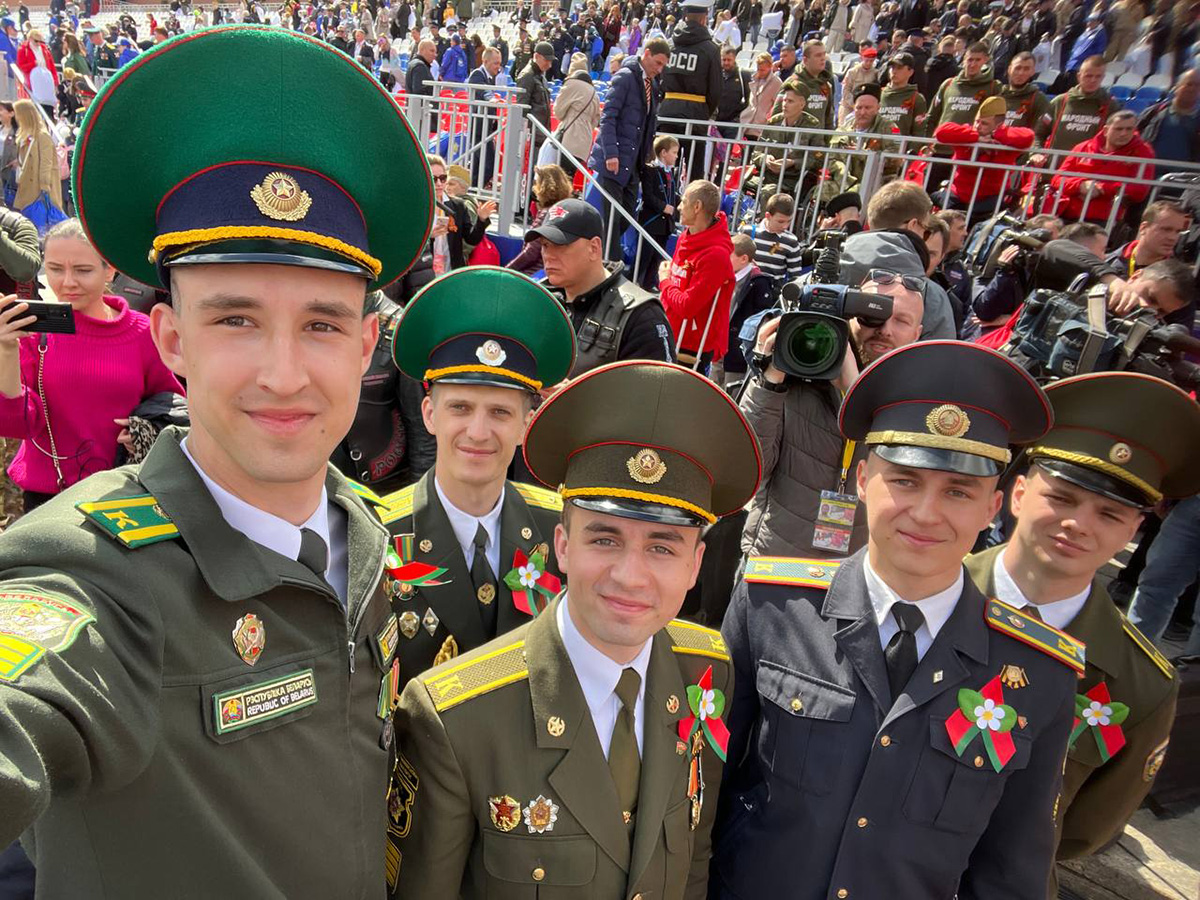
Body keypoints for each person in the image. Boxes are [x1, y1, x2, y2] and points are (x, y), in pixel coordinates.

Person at [0, 25, 436, 896]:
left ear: (366, 346)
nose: (283, 374)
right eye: (235, 319)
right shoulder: (94, 570)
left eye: (320, 323)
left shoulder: (364, 530)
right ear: (172, 338)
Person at [712, 340, 1083, 900]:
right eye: (904, 481)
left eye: (959, 491)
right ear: (862, 480)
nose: (926, 513)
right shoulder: (771, 606)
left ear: (992, 507)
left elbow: (1012, 866)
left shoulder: (1039, 673)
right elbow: (703, 789)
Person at [390, 359, 762, 899]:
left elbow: (693, 855)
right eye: (604, 539)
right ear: (562, 545)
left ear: (696, 564)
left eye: (662, 546)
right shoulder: (454, 717)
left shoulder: (705, 670)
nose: (630, 576)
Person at [965, 373, 1196, 897]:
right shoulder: (919, 598)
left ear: (1132, 532)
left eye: (1110, 513)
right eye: (1062, 497)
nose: (1078, 524)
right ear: (1017, 494)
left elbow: (1088, 830)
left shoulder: (1140, 685)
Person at [373, 268, 575, 688]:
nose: (479, 432)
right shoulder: (376, 536)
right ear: (430, 414)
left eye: (500, 412)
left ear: (525, 425)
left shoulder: (560, 528)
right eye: (460, 408)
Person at [738, 267, 926, 559]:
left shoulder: (922, 399)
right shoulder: (797, 364)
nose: (885, 329)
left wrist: (855, 391)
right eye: (873, 316)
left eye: (901, 321)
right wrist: (768, 380)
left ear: (917, 334)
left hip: (859, 570)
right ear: (849, 317)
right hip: (775, 559)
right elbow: (749, 470)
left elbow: (908, 484)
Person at [0, 218, 184, 511]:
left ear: (109, 269)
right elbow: (16, 424)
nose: (68, 282)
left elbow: (174, 406)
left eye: (83, 270)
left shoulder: (141, 331)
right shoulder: (31, 332)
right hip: (47, 497)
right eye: (55, 269)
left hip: (123, 491)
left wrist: (145, 430)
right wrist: (6, 349)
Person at [526, 198, 676, 373]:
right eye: (545, 245)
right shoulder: (540, 301)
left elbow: (658, 396)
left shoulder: (641, 316)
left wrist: (574, 393)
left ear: (594, 248)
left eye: (560, 245)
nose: (548, 255)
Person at [588, 40, 670, 259]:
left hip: (633, 161)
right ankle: (610, 263)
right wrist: (611, 153)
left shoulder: (652, 84)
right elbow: (608, 118)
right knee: (614, 217)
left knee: (626, 216)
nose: (659, 69)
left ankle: (600, 253)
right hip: (614, 160)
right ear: (647, 54)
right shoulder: (625, 77)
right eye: (658, 63)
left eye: (663, 66)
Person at [659, 179, 734, 371]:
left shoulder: (716, 255)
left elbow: (687, 307)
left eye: (684, 201)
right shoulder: (687, 235)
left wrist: (665, 281)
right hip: (670, 332)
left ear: (697, 207)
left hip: (692, 346)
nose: (679, 206)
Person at [934, 94, 1034, 222]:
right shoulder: (968, 133)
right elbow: (941, 131)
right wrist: (976, 138)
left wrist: (994, 135)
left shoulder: (1005, 137)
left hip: (990, 200)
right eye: (977, 121)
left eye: (984, 123)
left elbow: (1028, 137)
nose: (978, 126)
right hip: (957, 197)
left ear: (999, 125)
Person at [1049, 110, 1154, 227]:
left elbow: (1140, 190)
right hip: (1064, 212)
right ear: (1105, 131)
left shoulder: (1142, 152)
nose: (1124, 133)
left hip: (1104, 219)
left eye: (1129, 129)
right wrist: (1080, 185)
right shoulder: (1083, 147)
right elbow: (1057, 179)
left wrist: (1101, 188)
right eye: (1118, 129)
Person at [658, 0, 723, 181]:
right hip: (696, 116)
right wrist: (705, 112)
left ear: (685, 16)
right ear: (704, 18)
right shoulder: (711, 49)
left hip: (668, 113)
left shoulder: (670, 44)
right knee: (694, 171)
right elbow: (716, 90)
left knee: (665, 168)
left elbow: (659, 79)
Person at [745, 80, 822, 202]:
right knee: (740, 188)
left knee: (768, 192)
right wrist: (765, 158)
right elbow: (756, 153)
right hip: (767, 175)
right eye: (784, 100)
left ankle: (764, 221)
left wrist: (792, 162)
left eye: (790, 101)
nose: (785, 105)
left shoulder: (812, 126)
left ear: (802, 104)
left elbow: (817, 160)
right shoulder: (773, 122)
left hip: (792, 180)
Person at [716, 232, 776, 389]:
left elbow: (759, 319)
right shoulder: (724, 276)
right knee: (712, 387)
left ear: (744, 259)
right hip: (719, 343)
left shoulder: (758, 283)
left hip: (737, 351)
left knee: (730, 391)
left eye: (728, 255)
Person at [1033, 55, 1116, 156]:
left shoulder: (1110, 105)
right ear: (1079, 76)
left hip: (1088, 168)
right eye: (1088, 76)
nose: (1093, 80)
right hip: (1054, 167)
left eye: (1098, 76)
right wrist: (1036, 153)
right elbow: (1038, 133)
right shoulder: (1060, 102)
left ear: (1103, 77)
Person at [507, 164, 574, 275]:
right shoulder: (565, 211)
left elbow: (531, 253)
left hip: (535, 275)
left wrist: (507, 270)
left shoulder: (546, 214)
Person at [637, 133, 681, 288]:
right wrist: (663, 207)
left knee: (657, 257)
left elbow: (672, 194)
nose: (676, 156)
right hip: (651, 221)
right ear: (663, 153)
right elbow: (647, 195)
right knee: (645, 256)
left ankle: (649, 284)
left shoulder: (670, 172)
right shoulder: (650, 170)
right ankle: (637, 282)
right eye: (674, 152)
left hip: (665, 224)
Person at [1136, 68, 1200, 176]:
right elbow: (1134, 136)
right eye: (1189, 84)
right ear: (1176, 87)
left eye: (1198, 85)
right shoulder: (1153, 112)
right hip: (1146, 176)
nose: (1192, 89)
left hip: (1183, 181)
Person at [927, 41, 1000, 132]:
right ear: (964, 59)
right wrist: (927, 144)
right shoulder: (948, 84)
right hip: (942, 143)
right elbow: (931, 117)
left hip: (971, 144)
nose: (972, 64)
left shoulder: (993, 87)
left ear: (985, 60)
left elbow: (997, 121)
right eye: (970, 60)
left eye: (977, 60)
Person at [11, 99, 62, 229]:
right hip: (27, 184)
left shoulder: (42, 136)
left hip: (40, 188)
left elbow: (46, 163)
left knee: (41, 223)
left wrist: (44, 185)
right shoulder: (24, 134)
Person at [1106, 201, 1190, 279]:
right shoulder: (1106, 262)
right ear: (1143, 228)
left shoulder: (1179, 278)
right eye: (1166, 229)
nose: (1173, 237)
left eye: (1178, 231)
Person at [739, 191, 803, 293]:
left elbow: (795, 278)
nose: (785, 226)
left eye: (789, 221)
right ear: (768, 216)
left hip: (771, 298)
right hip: (743, 292)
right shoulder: (747, 232)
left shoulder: (791, 241)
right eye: (781, 221)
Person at [553, 52, 602, 178]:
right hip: (584, 144)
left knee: (559, 179)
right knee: (569, 178)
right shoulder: (594, 92)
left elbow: (558, 111)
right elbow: (595, 121)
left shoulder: (571, 84)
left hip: (568, 139)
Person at [467, 46, 503, 187]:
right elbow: (484, 91)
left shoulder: (489, 77)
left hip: (485, 128)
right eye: (495, 63)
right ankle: (474, 190)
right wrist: (491, 100)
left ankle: (472, 190)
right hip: (478, 128)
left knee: (479, 165)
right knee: (488, 164)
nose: (498, 67)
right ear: (485, 61)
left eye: (499, 63)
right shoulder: (477, 74)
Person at [789, 39, 837, 134]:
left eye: (824, 54)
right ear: (805, 60)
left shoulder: (826, 85)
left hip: (818, 145)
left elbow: (828, 119)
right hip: (795, 143)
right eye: (818, 55)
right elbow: (778, 117)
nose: (823, 58)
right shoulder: (793, 84)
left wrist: (827, 143)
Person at [517, 41, 555, 155]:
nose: (549, 65)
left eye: (550, 61)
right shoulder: (527, 75)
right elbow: (522, 109)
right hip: (533, 136)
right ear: (537, 56)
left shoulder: (540, 76)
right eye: (546, 60)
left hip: (541, 134)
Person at [879, 51, 928, 136]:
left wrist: (911, 148)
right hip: (875, 145)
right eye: (892, 67)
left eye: (899, 68)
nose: (894, 71)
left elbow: (919, 131)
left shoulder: (916, 98)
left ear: (910, 72)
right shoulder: (878, 93)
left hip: (902, 146)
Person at [1000, 51, 1050, 130]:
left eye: (1026, 69)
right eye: (1017, 68)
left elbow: (1040, 133)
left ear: (1032, 72)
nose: (1021, 73)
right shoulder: (997, 94)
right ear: (1009, 69)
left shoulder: (1038, 99)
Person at [16, 29, 58, 118]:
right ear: (30, 38)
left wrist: (55, 81)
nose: (39, 43)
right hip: (34, 83)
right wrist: (33, 64)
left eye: (40, 41)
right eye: (36, 41)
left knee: (49, 107)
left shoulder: (45, 49)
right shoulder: (23, 50)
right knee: (37, 109)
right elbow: (22, 66)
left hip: (47, 80)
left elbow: (51, 66)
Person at [741, 51, 783, 138]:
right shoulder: (754, 79)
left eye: (763, 70)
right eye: (758, 69)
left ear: (770, 67)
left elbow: (778, 107)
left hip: (761, 129)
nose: (760, 72)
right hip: (746, 125)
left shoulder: (777, 83)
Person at [838, 45, 879, 122]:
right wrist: (855, 104)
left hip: (865, 107)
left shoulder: (875, 73)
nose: (869, 63)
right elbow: (846, 90)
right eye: (867, 60)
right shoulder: (852, 72)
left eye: (871, 61)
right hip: (848, 106)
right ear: (862, 58)